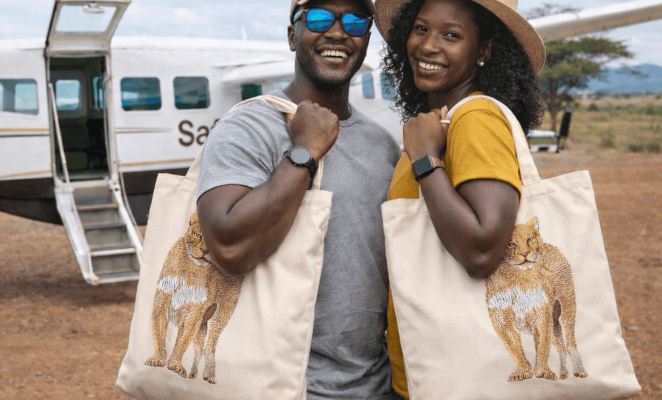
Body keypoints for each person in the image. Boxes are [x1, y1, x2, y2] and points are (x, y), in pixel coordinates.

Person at [196, 0, 402, 398]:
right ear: (293, 35)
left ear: (366, 39)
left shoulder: (382, 146)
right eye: (320, 17)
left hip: (375, 387)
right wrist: (304, 153)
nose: (339, 32)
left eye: (356, 21)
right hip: (278, 387)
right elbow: (228, 245)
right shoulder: (247, 127)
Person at [373, 0, 546, 397]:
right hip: (434, 366)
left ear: (484, 50)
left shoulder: (474, 119)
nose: (428, 46)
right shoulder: (442, 122)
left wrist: (425, 160)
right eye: (420, 29)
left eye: (451, 35)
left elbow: (483, 250)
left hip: (462, 376)